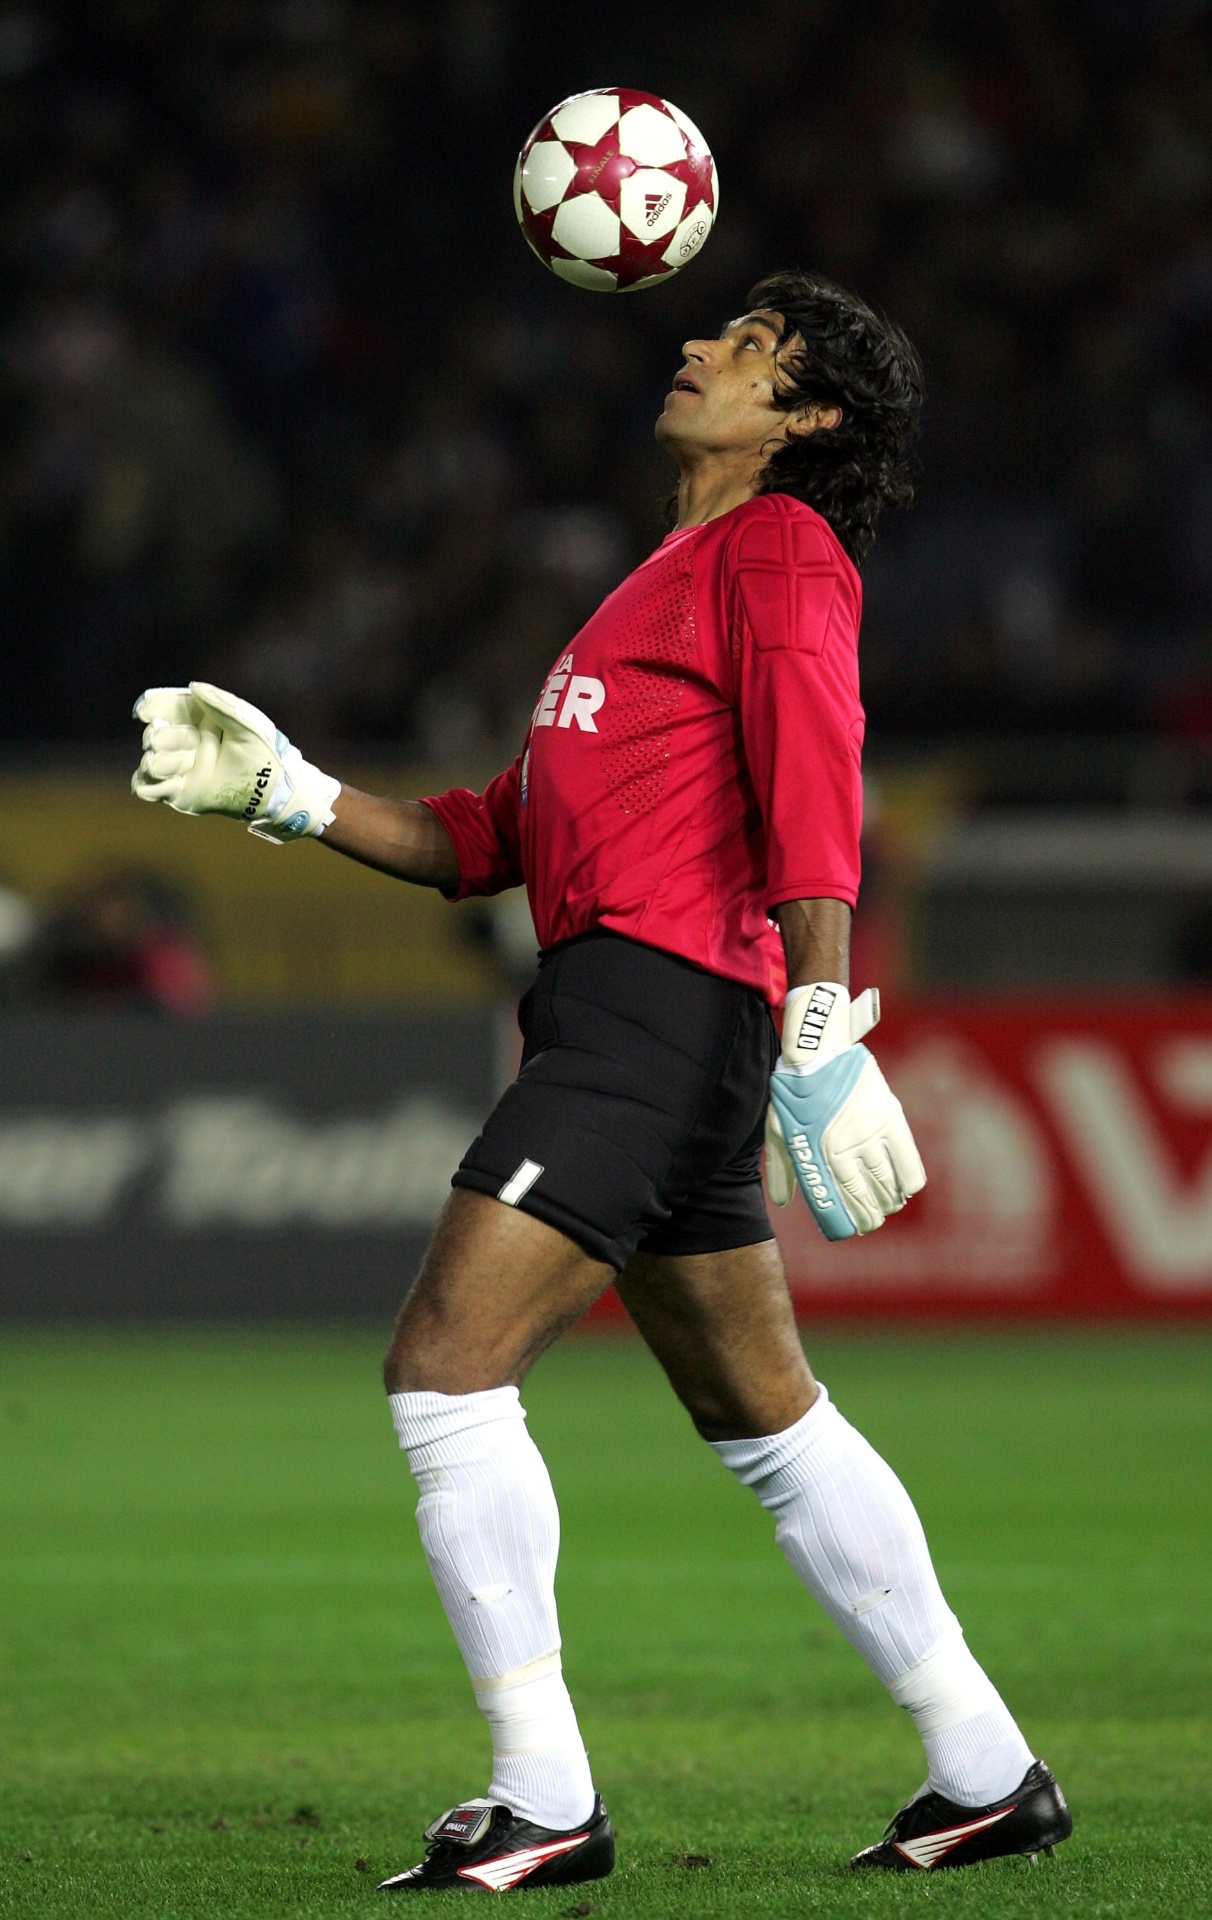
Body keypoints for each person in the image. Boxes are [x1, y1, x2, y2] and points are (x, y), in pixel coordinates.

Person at [130, 272, 1071, 1889]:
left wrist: (826, 1017)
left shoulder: (775, 548)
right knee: (770, 1419)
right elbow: (483, 838)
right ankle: (985, 1767)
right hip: (644, 1014)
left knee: (444, 1368)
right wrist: (283, 790)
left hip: (659, 1010)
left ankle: (543, 1795)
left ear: (810, 419)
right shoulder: (663, 579)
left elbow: (815, 765)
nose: (700, 347)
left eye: (753, 350)